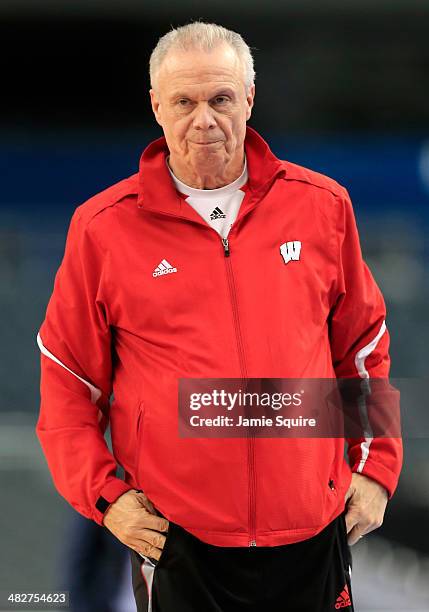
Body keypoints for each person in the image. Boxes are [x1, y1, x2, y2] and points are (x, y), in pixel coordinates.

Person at [35, 21, 403, 612]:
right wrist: (106, 497)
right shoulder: (103, 228)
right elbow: (68, 385)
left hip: (313, 534)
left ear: (249, 101)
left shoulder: (322, 206)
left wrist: (376, 468)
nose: (204, 119)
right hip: (181, 542)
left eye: (221, 99)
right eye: (184, 101)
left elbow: (363, 348)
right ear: (156, 106)